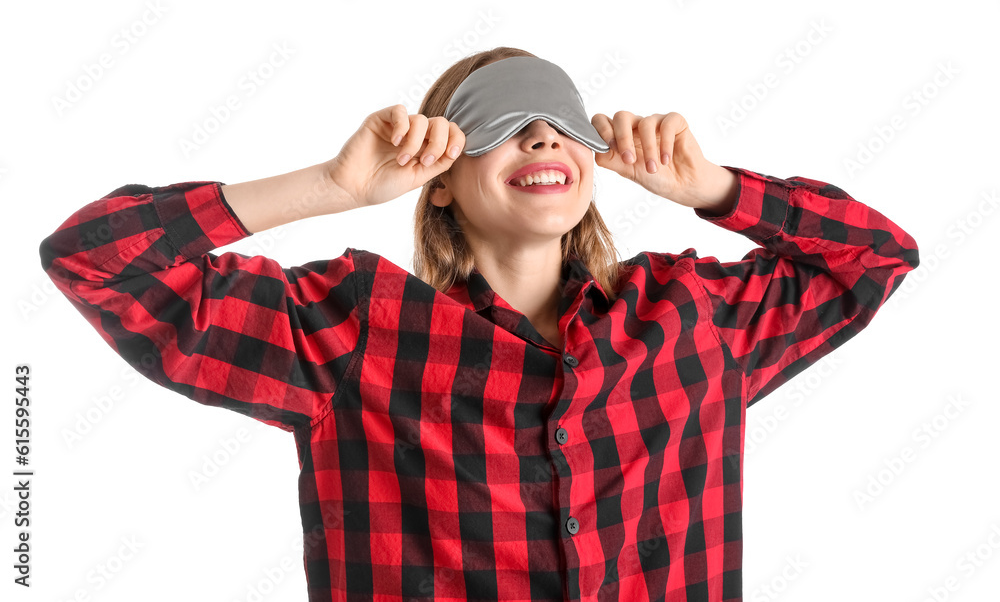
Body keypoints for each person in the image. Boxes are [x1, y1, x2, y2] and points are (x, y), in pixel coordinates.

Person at [39, 46, 919, 602]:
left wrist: (719, 190)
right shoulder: (350, 333)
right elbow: (94, 258)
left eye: (560, 126)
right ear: (443, 176)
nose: (542, 142)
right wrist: (331, 188)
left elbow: (878, 255)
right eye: (505, 128)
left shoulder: (695, 319)